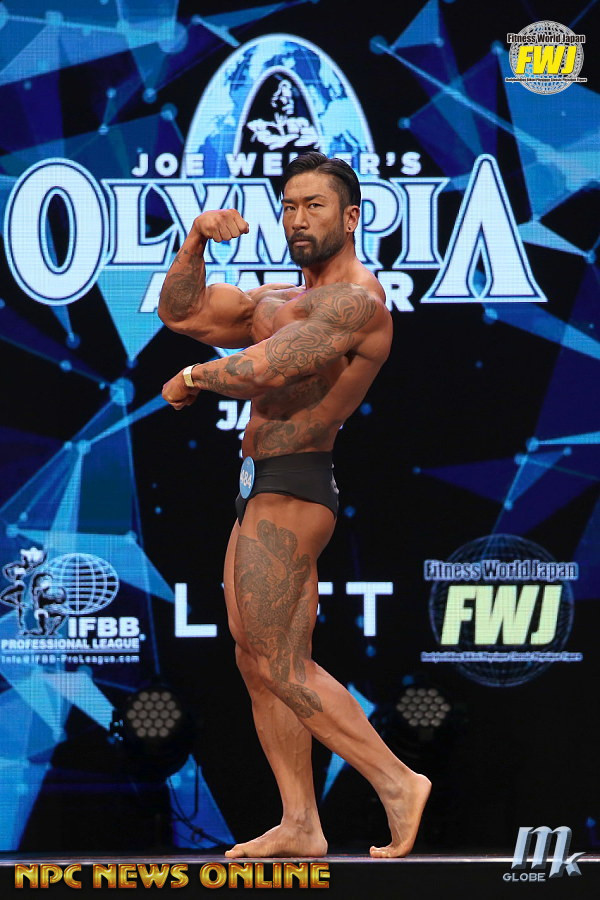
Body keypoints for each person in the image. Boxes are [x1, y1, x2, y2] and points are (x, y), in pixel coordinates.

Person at [159, 152, 430, 858]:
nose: (298, 219)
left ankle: (398, 783)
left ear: (351, 216)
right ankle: (301, 822)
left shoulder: (356, 303)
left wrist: (194, 377)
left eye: (315, 205)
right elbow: (181, 311)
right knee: (257, 659)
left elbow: (268, 370)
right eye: (288, 206)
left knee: (280, 661)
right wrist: (195, 239)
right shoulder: (279, 300)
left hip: (296, 484)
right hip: (259, 485)